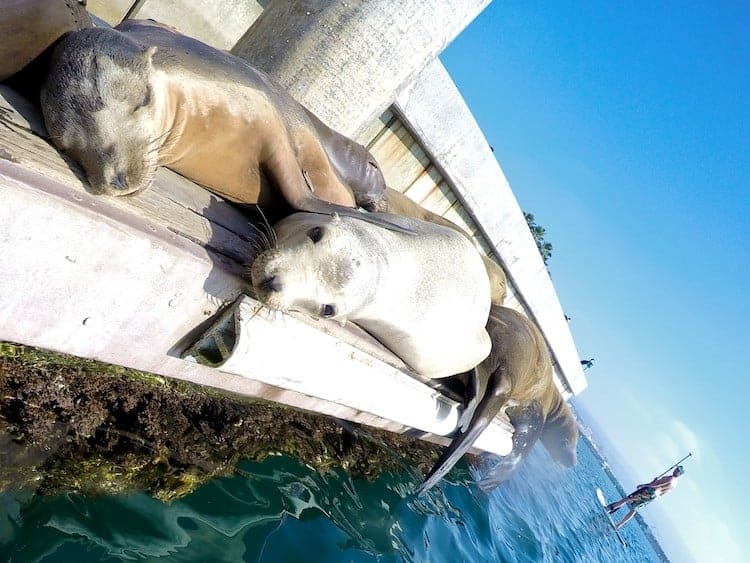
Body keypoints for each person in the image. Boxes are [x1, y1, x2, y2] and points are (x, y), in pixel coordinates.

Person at [606, 466, 685, 529]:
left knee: (627, 499)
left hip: (649, 491)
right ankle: (619, 525)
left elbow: (657, 486)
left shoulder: (670, 478)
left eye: (678, 470)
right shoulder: (674, 484)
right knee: (635, 508)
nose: (675, 470)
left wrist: (645, 485)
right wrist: (654, 481)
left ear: (680, 474)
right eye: (676, 468)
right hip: (654, 496)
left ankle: (609, 509)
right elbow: (661, 491)